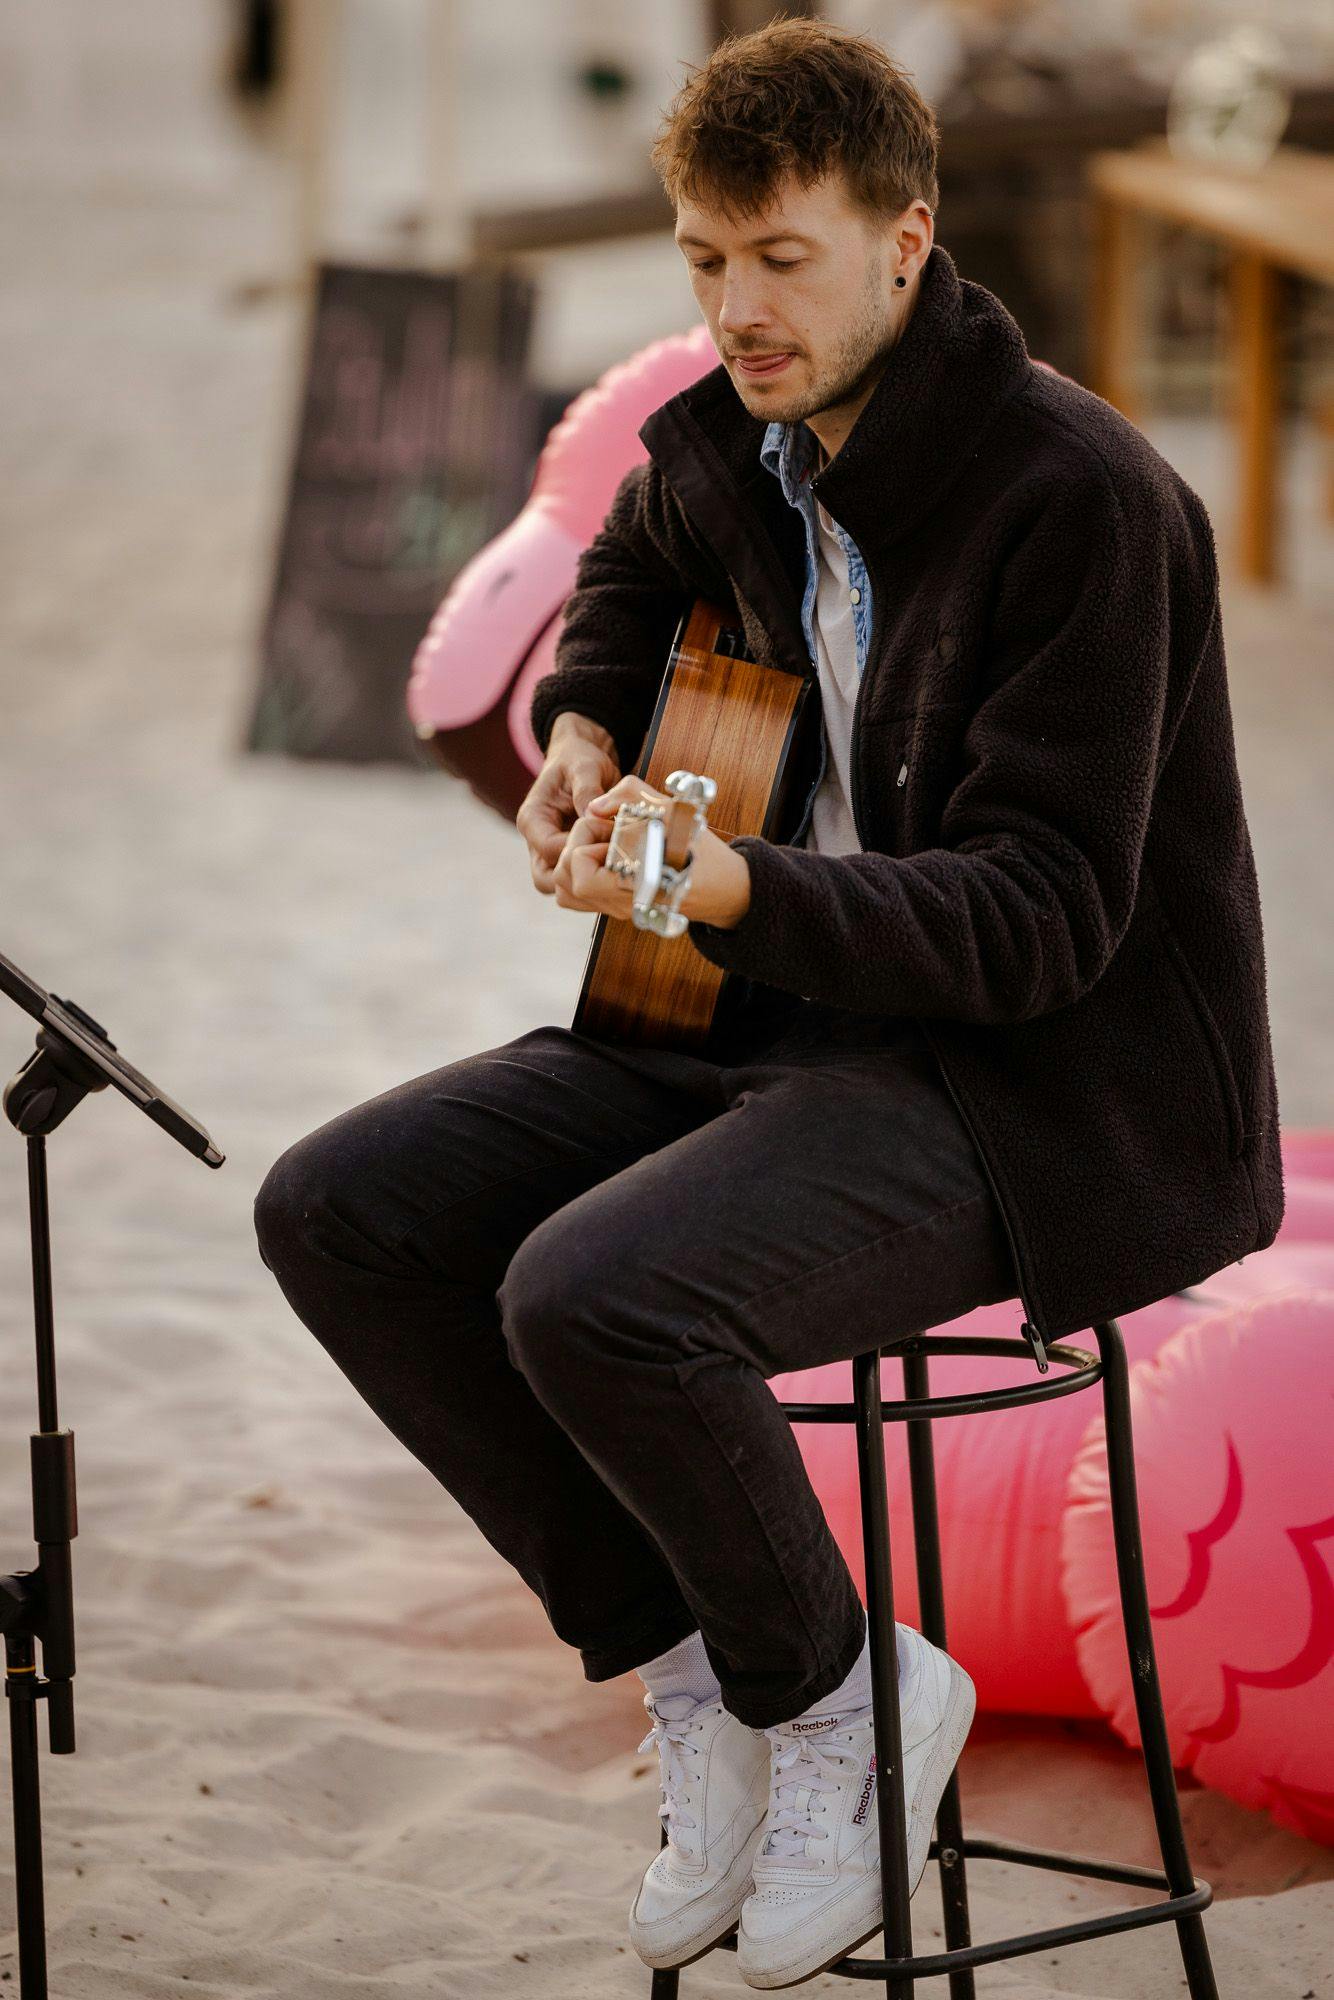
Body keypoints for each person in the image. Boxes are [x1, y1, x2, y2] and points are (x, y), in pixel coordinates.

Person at [253, 17, 1283, 1990]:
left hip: (1028, 1089)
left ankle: (840, 1692)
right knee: (341, 1210)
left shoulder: (1085, 502)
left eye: (780, 258)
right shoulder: (739, 427)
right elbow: (638, 563)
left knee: (594, 1295)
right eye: (703, 261)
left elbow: (1041, 921)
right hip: (741, 1026)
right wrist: (576, 727)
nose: (736, 308)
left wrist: (736, 880)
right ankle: (707, 1679)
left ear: (907, 241)